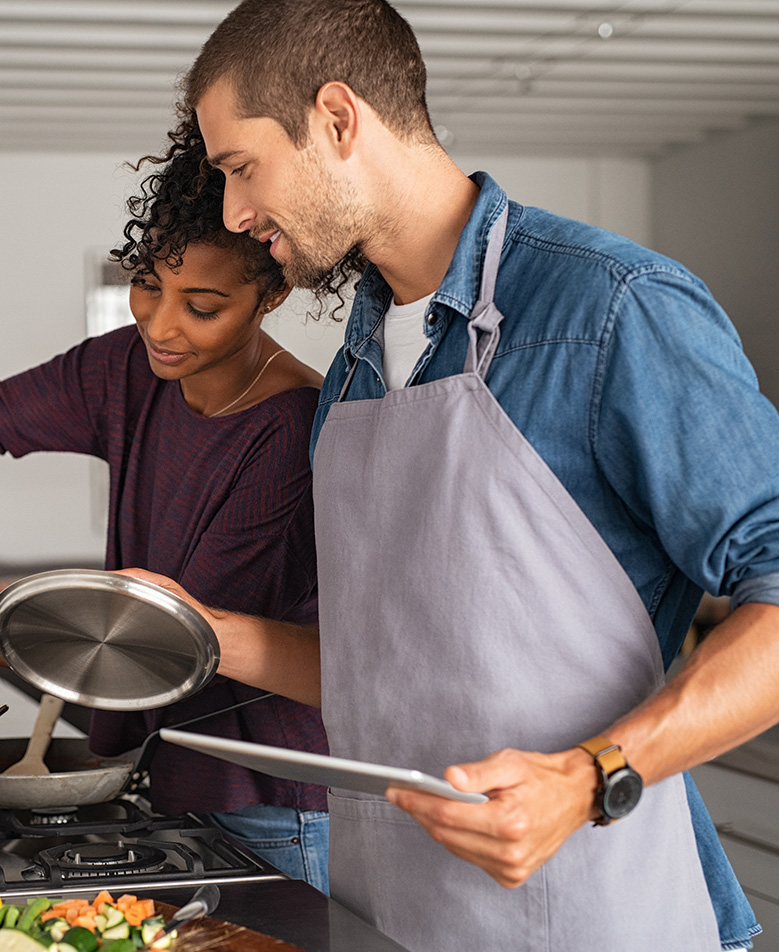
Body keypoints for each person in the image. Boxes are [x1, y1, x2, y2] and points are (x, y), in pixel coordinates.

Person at [119, 0, 779, 948]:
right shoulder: (351, 365)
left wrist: (589, 777)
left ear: (339, 119)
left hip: (592, 912)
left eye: (239, 167)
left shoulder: (607, 309)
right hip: (390, 910)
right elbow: (390, 672)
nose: (233, 212)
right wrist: (191, 629)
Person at [0, 139, 330, 894]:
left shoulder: (292, 434)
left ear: (269, 298)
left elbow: (160, 648)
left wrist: (13, 621)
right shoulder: (126, 367)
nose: (162, 326)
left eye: (204, 307)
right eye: (148, 286)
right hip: (165, 773)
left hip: (271, 801)